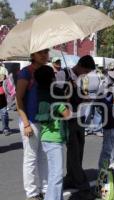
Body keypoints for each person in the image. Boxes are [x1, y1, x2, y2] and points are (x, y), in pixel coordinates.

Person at [55, 55, 96, 199]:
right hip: (68, 118)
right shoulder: (62, 74)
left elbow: (81, 95)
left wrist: (85, 97)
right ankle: (83, 186)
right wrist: (69, 88)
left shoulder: (81, 78)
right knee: (74, 151)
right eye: (86, 71)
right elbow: (57, 95)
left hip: (80, 117)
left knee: (79, 151)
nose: (86, 74)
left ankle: (71, 177)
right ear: (80, 66)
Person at [16, 49, 49, 200]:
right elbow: (19, 100)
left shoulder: (47, 72)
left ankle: (45, 188)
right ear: (32, 55)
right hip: (30, 121)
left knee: (44, 157)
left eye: (46, 52)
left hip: (45, 121)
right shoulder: (26, 73)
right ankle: (32, 193)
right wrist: (26, 123)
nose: (44, 55)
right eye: (40, 52)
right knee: (30, 158)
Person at [34, 65, 71, 200]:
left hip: (46, 136)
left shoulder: (41, 93)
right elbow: (67, 114)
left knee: (54, 174)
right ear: (51, 78)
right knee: (56, 174)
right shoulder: (54, 97)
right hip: (54, 138)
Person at [0, 70, 11, 136]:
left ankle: (6, 129)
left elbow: (4, 77)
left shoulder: (2, 69)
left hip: (2, 96)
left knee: (4, 113)